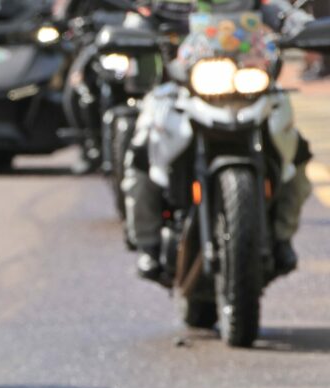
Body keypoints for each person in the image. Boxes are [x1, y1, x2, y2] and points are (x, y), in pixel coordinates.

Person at [122, 0, 315, 283]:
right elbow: (141, 18)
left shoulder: (253, 2)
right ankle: (148, 242)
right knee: (142, 149)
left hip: (249, 86)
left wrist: (306, 29)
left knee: (295, 152)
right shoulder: (168, 4)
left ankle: (282, 236)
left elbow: (285, 16)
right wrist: (134, 30)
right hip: (182, 90)